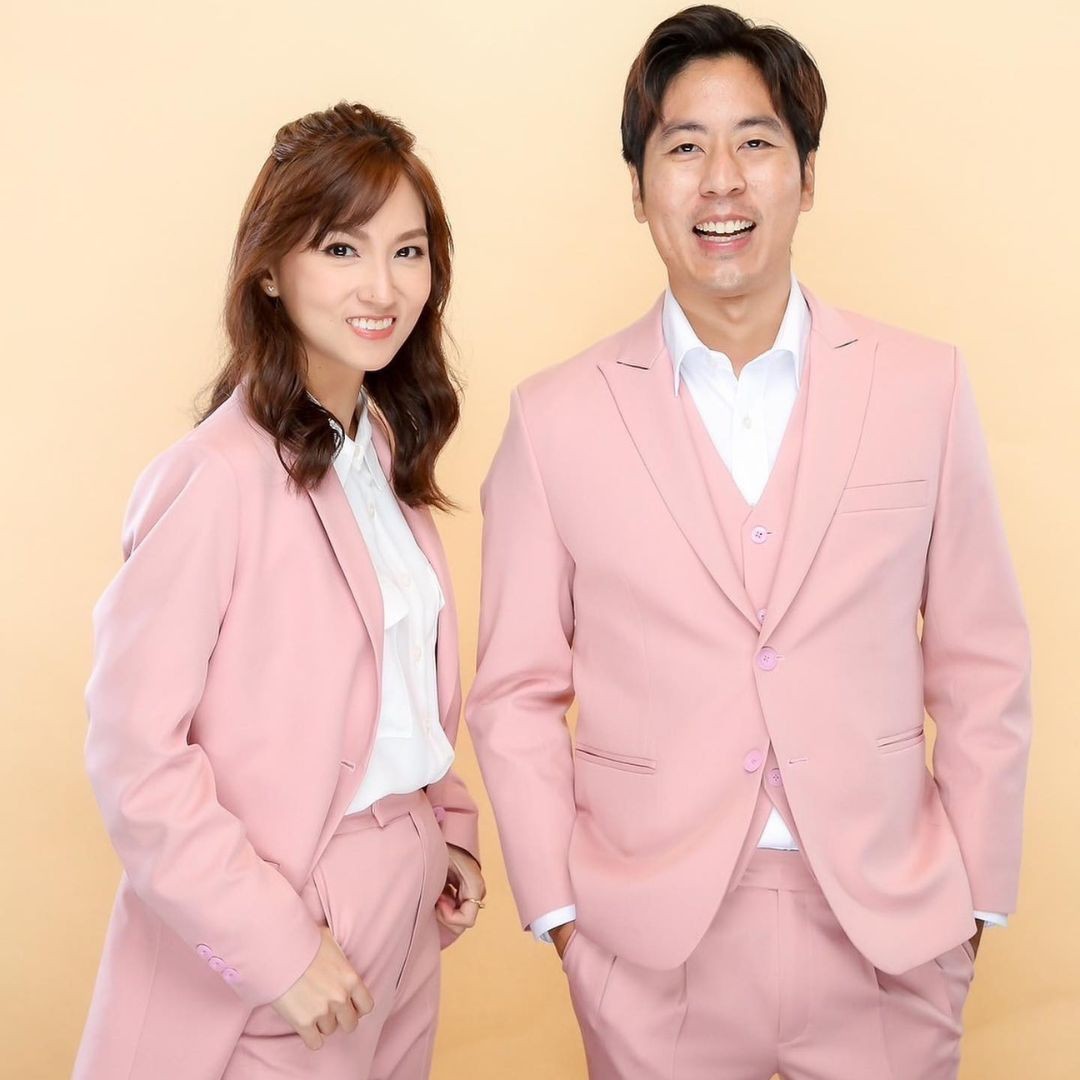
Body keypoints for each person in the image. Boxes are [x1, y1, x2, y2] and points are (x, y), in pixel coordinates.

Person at [466, 7, 1031, 1078]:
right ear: (639, 187)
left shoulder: (925, 387)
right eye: (684, 147)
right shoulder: (553, 419)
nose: (721, 182)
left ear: (806, 176)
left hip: (891, 934)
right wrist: (564, 919)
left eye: (756, 142)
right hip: (650, 945)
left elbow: (984, 660)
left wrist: (975, 902)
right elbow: (515, 692)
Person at [74, 101, 484, 1080]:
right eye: (341, 249)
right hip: (279, 927)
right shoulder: (213, 479)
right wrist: (272, 951)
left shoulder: (382, 452)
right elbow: (134, 759)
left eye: (409, 252)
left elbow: (390, 686)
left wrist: (447, 830)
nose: (382, 287)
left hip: (404, 911)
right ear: (268, 269)